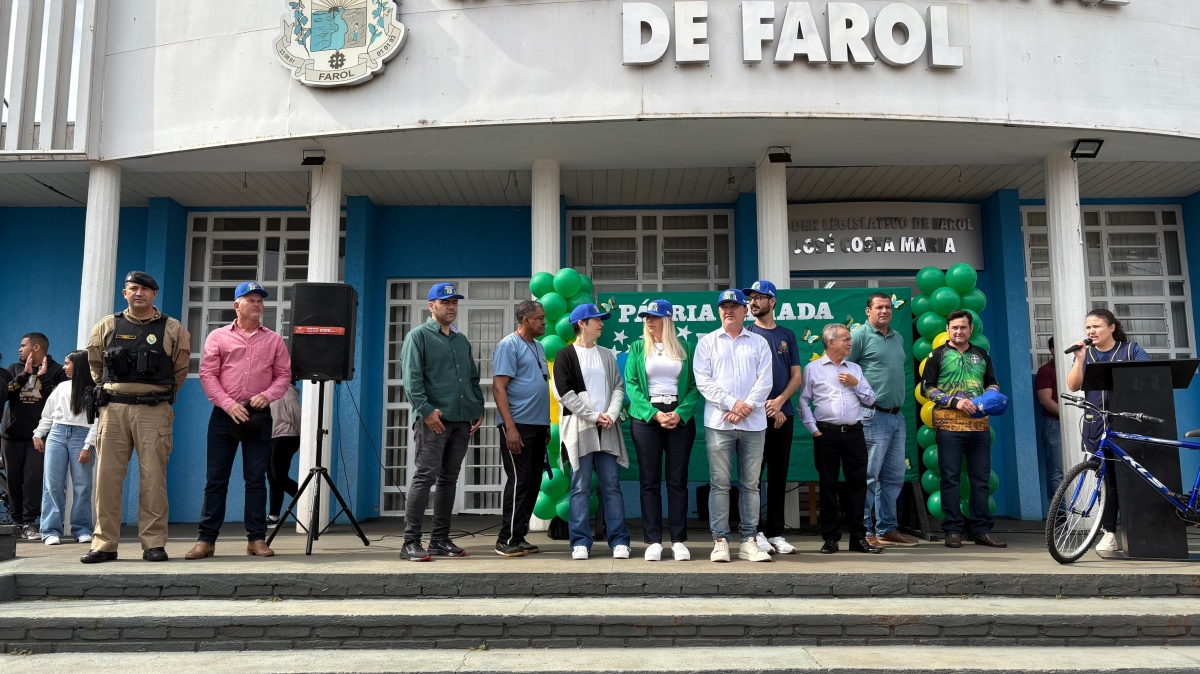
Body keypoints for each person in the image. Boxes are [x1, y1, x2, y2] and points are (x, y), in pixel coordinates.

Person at [82, 271, 190, 564]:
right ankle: (104, 544)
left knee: (153, 478)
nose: (139, 293)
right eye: (133, 288)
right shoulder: (107, 325)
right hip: (113, 410)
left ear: (154, 294)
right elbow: (95, 365)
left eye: (145, 289)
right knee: (107, 478)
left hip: (153, 411)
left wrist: (153, 393)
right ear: (124, 293)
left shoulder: (171, 327)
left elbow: (180, 369)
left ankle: (153, 543)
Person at [188, 281, 292, 560]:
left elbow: (283, 376)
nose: (257, 304)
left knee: (256, 479)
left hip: (258, 417)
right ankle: (206, 540)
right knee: (216, 480)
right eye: (251, 300)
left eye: (260, 300)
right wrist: (228, 404)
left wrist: (268, 396)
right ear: (237, 305)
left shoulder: (274, 340)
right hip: (224, 416)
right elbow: (208, 374)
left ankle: (257, 539)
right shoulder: (218, 337)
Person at [399, 282, 484, 562]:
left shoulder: (461, 340)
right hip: (433, 420)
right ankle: (410, 542)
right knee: (425, 477)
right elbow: (412, 380)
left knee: (449, 480)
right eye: (445, 302)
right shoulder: (419, 336)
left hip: (461, 420)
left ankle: (439, 540)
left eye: (455, 302)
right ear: (431, 306)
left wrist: (478, 406)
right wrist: (426, 411)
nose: (451, 306)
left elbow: (472, 377)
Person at [693, 289, 773, 563]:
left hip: (753, 424)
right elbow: (703, 381)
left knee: (751, 485)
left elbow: (765, 381)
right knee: (720, 484)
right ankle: (721, 540)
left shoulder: (759, 343)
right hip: (719, 424)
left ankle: (749, 540)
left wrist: (746, 406)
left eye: (734, 306)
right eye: (724, 306)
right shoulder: (707, 343)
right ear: (719, 312)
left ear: (745, 310)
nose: (729, 310)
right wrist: (732, 404)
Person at [1065, 308, 1149, 556]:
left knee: (1133, 478)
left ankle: (1142, 530)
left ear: (1111, 328)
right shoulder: (1086, 353)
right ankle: (1109, 533)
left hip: (1129, 423)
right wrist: (1080, 359)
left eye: (1096, 326)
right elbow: (1073, 385)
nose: (1091, 331)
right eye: (1088, 327)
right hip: (1097, 426)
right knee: (1107, 481)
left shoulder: (1131, 350)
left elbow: (1151, 377)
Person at [921, 310, 1007, 549]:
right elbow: (926, 388)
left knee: (980, 480)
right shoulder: (937, 355)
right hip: (948, 426)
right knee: (950, 479)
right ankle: (952, 530)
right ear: (948, 330)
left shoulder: (982, 354)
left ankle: (981, 530)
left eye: (963, 327)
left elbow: (992, 381)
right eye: (954, 328)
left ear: (971, 330)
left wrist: (991, 393)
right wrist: (954, 401)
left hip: (979, 427)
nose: (959, 332)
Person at [553, 304, 631, 561]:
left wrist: (609, 412)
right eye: (597, 320)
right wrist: (594, 415)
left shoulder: (607, 354)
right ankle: (580, 542)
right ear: (581, 324)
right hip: (580, 429)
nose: (602, 324)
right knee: (580, 486)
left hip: (607, 427)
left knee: (611, 486)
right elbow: (565, 394)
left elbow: (618, 387)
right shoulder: (565, 355)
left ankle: (619, 540)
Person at [625, 299, 700, 562]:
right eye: (646, 317)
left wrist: (679, 413)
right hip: (647, 419)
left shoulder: (686, 348)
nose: (649, 321)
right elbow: (632, 385)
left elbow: (693, 386)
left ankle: (678, 540)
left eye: (654, 317)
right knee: (650, 481)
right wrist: (653, 413)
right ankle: (653, 541)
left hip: (678, 417)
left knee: (678, 481)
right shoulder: (637, 348)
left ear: (668, 320)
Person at [798, 324, 881, 554]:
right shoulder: (813, 369)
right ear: (831, 341)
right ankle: (831, 538)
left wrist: (856, 384)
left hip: (855, 433)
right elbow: (803, 402)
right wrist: (814, 429)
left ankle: (858, 538)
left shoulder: (854, 368)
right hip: (826, 435)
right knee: (828, 486)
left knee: (858, 486)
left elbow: (870, 399)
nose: (850, 343)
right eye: (845, 339)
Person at [850, 292, 919, 548]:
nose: (884, 311)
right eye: (878, 307)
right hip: (871, 415)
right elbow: (845, 371)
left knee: (893, 476)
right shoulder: (859, 336)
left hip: (896, 416)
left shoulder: (898, 337)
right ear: (868, 311)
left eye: (888, 307)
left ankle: (887, 528)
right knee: (869, 476)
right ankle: (864, 531)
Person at [743, 281, 803, 555]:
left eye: (759, 298)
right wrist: (767, 408)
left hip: (783, 416)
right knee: (752, 478)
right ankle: (754, 534)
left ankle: (775, 532)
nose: (753, 302)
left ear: (773, 301)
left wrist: (779, 403)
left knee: (778, 476)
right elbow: (745, 380)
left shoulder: (786, 335)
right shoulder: (747, 334)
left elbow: (796, 376)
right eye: (751, 299)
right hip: (755, 418)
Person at [492, 299, 551, 557]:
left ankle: (519, 536)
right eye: (539, 318)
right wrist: (510, 427)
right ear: (526, 320)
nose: (544, 322)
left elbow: (540, 385)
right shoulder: (509, 345)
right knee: (520, 480)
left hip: (538, 425)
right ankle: (506, 539)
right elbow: (498, 387)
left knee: (534, 481)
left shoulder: (538, 346)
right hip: (518, 424)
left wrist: (547, 423)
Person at [3, 333, 67, 540]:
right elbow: (6, 394)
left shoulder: (57, 371)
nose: (19, 349)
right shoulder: (14, 369)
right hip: (11, 435)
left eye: (23, 345)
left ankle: (30, 522)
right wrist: (23, 376)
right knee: (13, 480)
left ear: (36, 347)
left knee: (33, 479)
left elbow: (59, 400)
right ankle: (18, 522)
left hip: (39, 436)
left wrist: (43, 378)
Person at [32, 350, 96, 546]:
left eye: (68, 363)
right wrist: (38, 433)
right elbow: (48, 415)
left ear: (79, 365)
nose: (63, 367)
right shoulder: (61, 387)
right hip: (57, 434)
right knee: (52, 484)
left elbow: (99, 421)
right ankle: (50, 530)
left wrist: (88, 446)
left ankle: (82, 529)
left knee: (82, 485)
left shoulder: (94, 390)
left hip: (82, 435)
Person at [267, 381, 301, 528]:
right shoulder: (272, 391)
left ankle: (309, 501)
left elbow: (297, 415)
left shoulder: (287, 391)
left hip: (286, 437)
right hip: (273, 438)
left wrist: (303, 437)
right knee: (273, 478)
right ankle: (274, 516)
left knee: (279, 477)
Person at [1035, 337, 1063, 501]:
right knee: (1057, 470)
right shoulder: (1046, 370)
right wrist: (1068, 418)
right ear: (1053, 350)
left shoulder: (1079, 368)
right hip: (1055, 424)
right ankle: (1060, 512)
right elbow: (1045, 400)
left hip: (1082, 423)